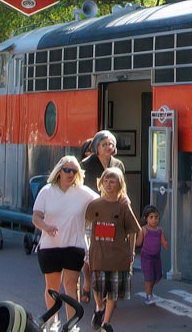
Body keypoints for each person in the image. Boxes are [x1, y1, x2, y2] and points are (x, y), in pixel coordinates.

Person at [32, 155, 98, 326]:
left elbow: (103, 203)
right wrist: (45, 227)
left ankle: (71, 324)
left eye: (74, 171)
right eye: (67, 170)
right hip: (50, 246)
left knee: (71, 284)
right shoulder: (47, 191)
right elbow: (36, 217)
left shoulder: (84, 193)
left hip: (74, 245)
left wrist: (121, 198)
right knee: (52, 287)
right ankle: (52, 321)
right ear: (59, 171)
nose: (70, 174)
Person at [85, 167, 141, 332]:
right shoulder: (94, 204)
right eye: (106, 181)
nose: (109, 185)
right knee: (97, 286)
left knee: (113, 292)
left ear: (119, 184)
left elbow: (132, 231)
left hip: (118, 255)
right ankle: (99, 307)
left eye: (113, 181)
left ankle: (106, 323)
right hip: (98, 253)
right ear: (101, 183)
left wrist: (131, 253)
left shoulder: (124, 205)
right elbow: (86, 226)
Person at [79, 130, 125, 303]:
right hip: (91, 211)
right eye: (104, 144)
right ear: (96, 146)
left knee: (106, 250)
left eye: (111, 144)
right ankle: (88, 281)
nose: (108, 147)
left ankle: (102, 288)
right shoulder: (86, 164)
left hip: (111, 213)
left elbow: (122, 187)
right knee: (89, 251)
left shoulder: (118, 165)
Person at [137, 205, 169, 305]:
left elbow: (163, 241)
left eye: (156, 217)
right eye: (151, 217)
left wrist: (165, 245)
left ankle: (149, 289)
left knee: (158, 276)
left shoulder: (160, 230)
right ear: (146, 219)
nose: (154, 220)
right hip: (146, 257)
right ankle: (148, 295)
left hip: (156, 256)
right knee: (149, 276)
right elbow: (138, 243)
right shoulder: (144, 230)